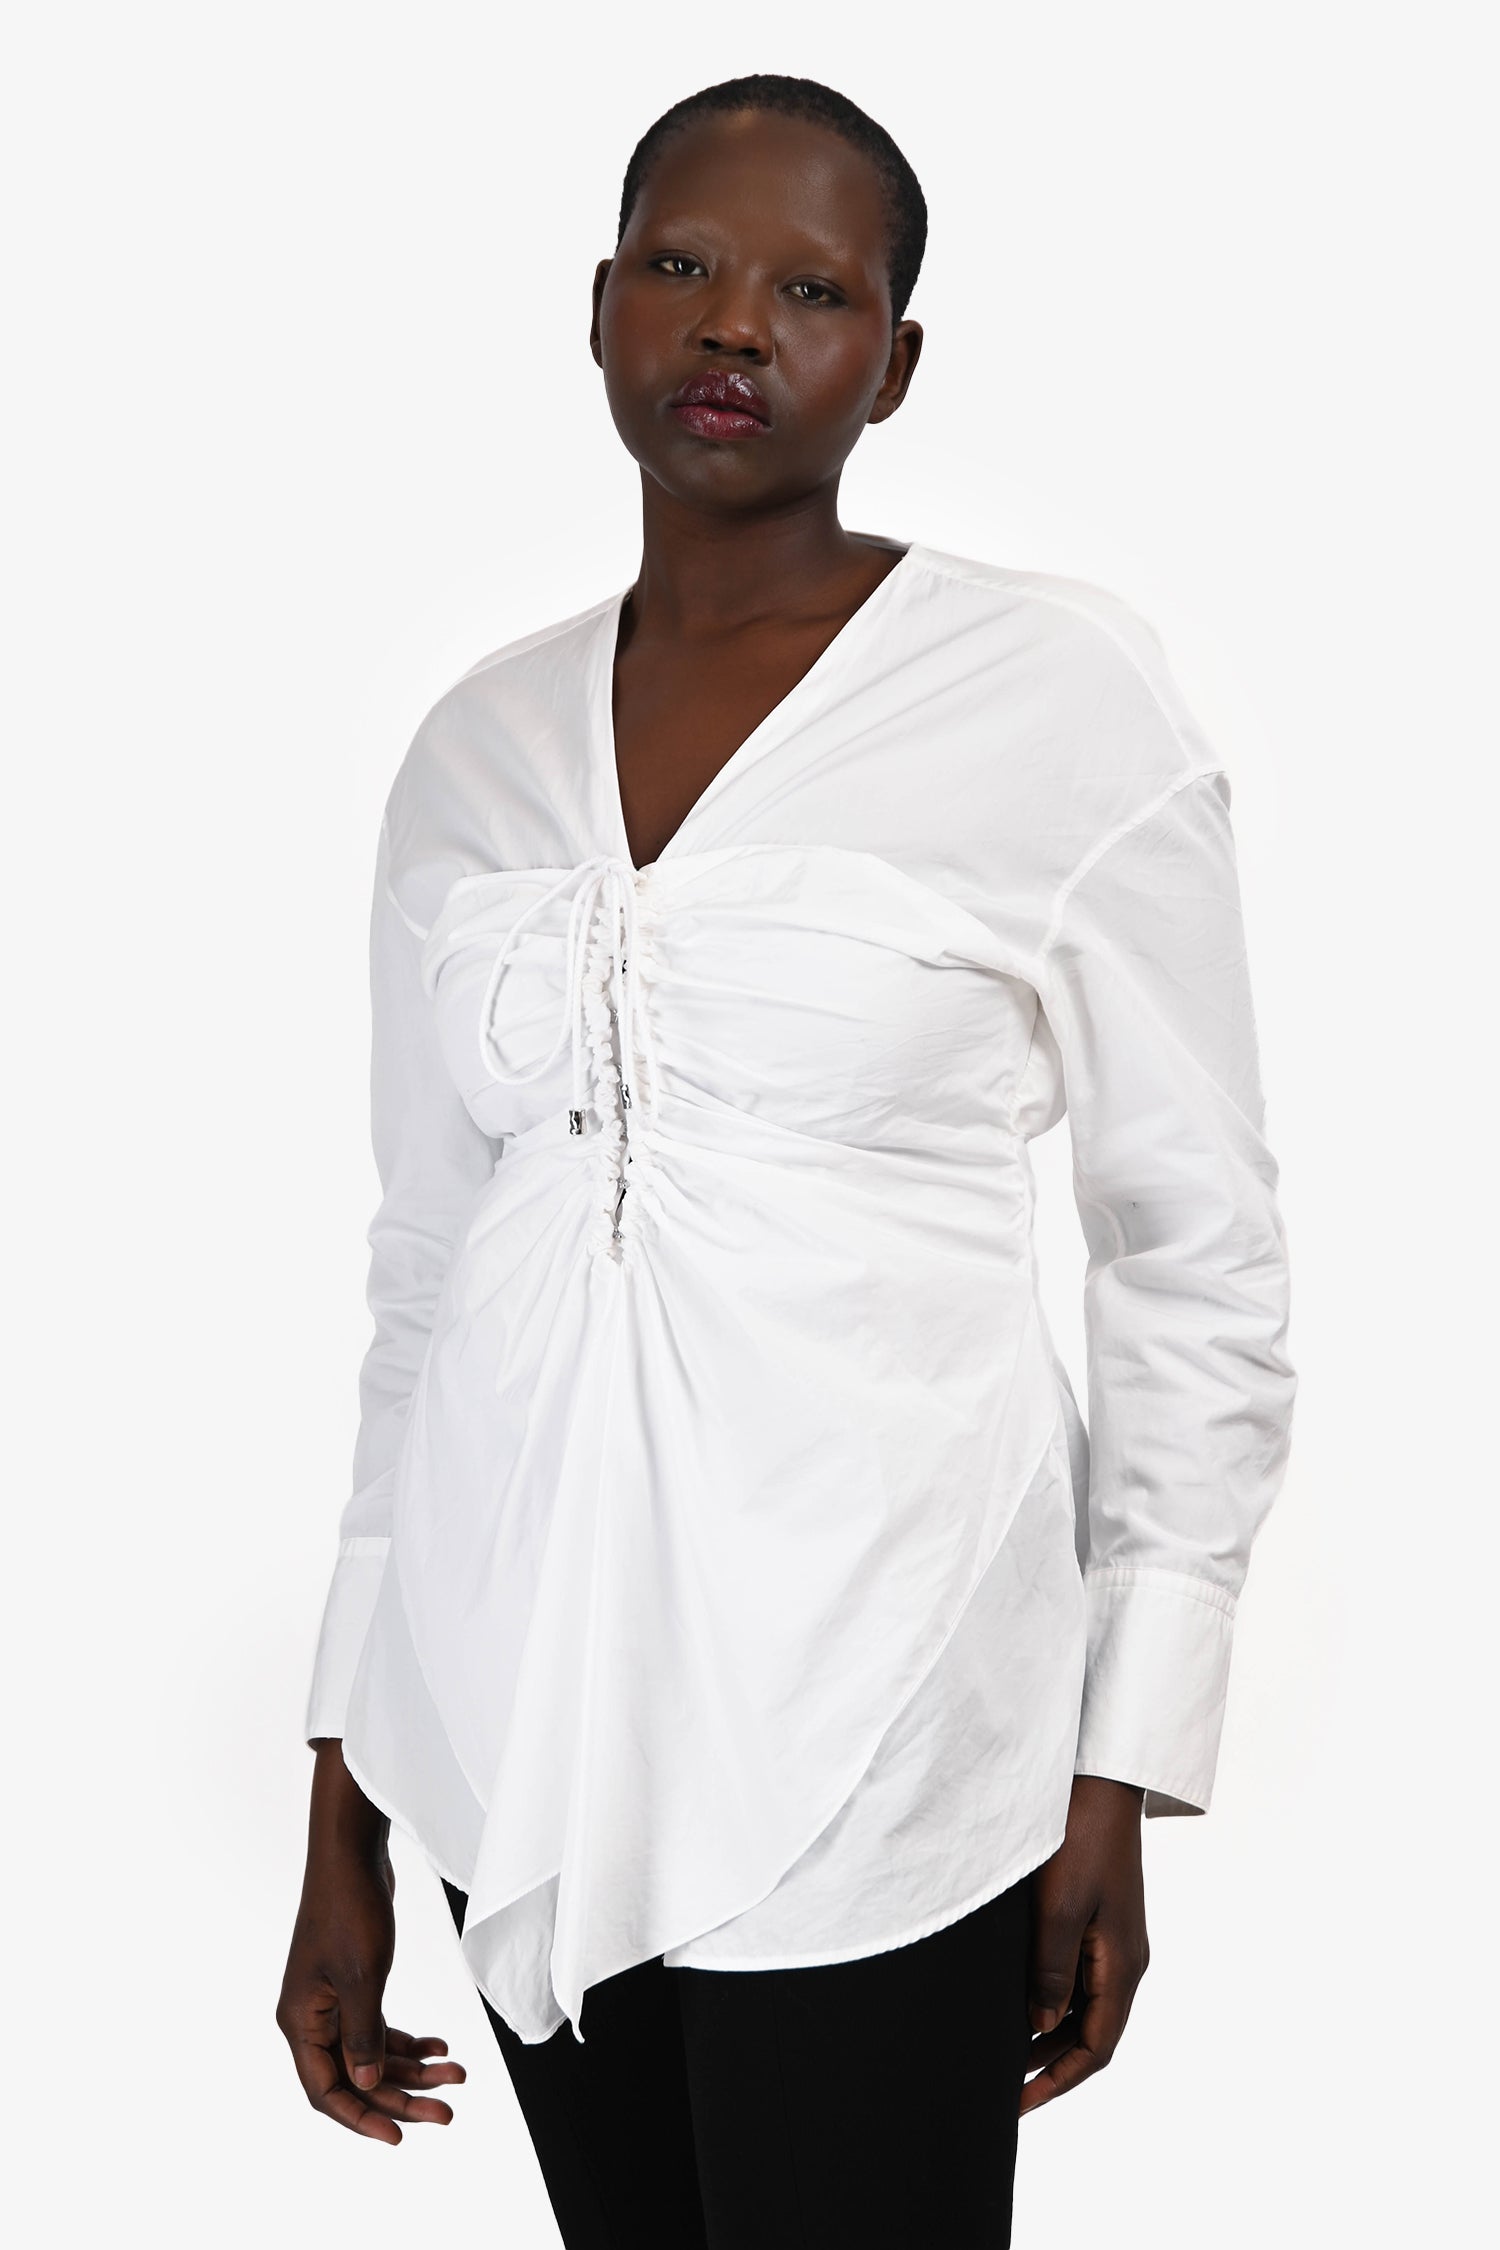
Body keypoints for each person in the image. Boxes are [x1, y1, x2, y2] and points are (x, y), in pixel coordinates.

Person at [278, 72, 1297, 2249]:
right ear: (598, 309)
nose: (735, 322)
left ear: (895, 363)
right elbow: (426, 1273)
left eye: (812, 291)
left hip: (885, 1725)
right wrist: (344, 1793)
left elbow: (1190, 1251)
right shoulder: (471, 748)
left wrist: (1124, 1757)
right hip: (510, 1722)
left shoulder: (1059, 699)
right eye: (682, 265)